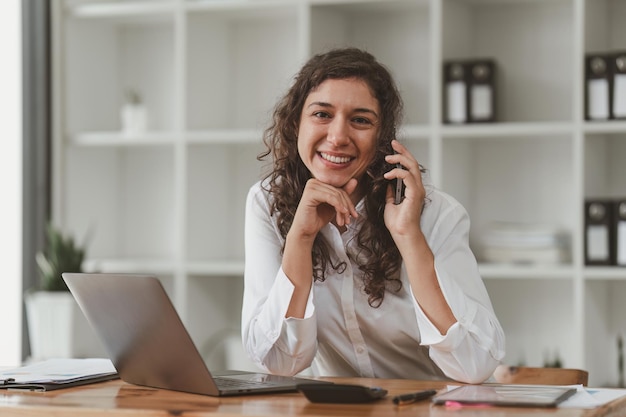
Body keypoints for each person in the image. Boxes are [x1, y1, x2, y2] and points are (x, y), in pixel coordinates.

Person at [242, 47, 505, 383]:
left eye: (360, 120)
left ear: (382, 137)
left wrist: (409, 237)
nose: (337, 137)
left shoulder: (437, 214)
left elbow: (476, 366)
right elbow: (278, 364)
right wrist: (301, 238)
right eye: (322, 114)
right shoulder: (268, 203)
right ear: (295, 124)